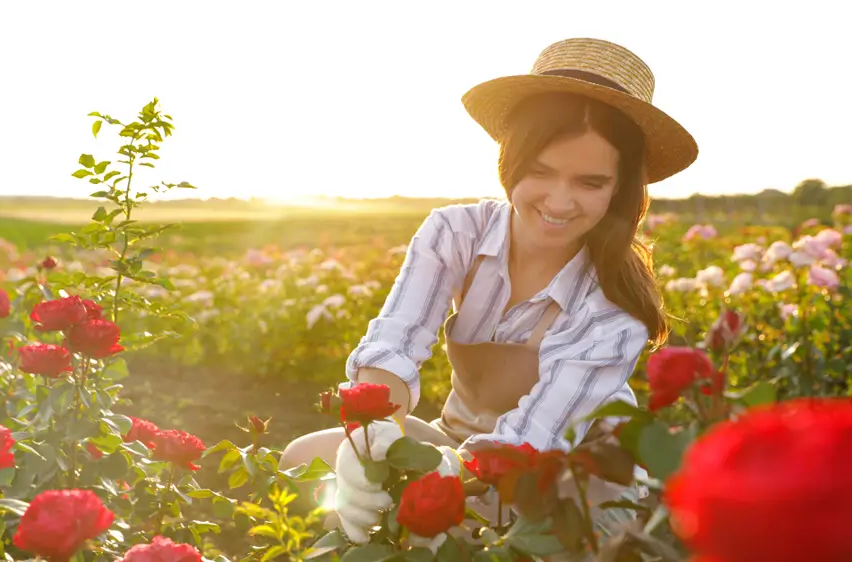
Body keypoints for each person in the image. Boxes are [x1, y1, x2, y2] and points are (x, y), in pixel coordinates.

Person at [279, 37, 698, 547]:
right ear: (511, 159)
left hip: (562, 476)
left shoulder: (613, 307)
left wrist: (427, 484)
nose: (559, 201)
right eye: (540, 171)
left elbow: (530, 444)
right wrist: (371, 436)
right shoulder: (456, 233)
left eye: (589, 182)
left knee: (457, 531)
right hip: (455, 443)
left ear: (620, 188)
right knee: (305, 461)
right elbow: (396, 341)